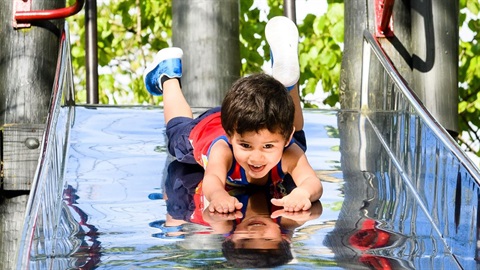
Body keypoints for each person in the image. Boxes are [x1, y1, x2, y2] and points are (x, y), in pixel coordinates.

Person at [144, 16, 323, 214]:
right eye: (245, 146)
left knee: (294, 135)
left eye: (268, 146)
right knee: (177, 132)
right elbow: (213, 179)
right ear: (231, 137)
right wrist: (218, 195)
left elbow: (312, 182)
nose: (256, 157)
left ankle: (287, 84)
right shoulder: (224, 150)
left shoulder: (289, 150)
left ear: (284, 140)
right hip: (208, 129)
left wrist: (304, 193)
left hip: (254, 120)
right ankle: (168, 74)